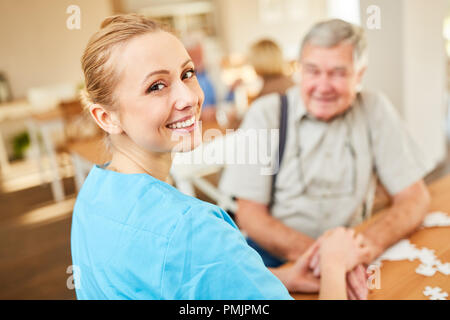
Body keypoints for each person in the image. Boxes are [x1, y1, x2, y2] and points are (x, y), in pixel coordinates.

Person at [71, 14, 366, 300]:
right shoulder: (194, 230)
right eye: (156, 86)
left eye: (187, 74)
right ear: (106, 117)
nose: (189, 98)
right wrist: (334, 263)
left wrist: (274, 279)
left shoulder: (92, 197)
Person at [220, 19, 431, 288]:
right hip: (276, 260)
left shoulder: (375, 109)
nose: (323, 86)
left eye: (338, 73)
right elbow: (250, 216)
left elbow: (414, 197)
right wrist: (329, 259)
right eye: (312, 71)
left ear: (360, 74)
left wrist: (363, 248)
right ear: (298, 69)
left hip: (356, 255)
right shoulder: (266, 113)